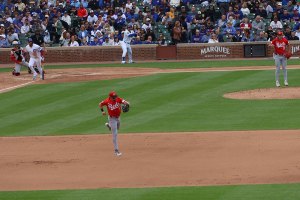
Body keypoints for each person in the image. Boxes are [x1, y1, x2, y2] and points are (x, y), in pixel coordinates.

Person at [99, 91, 130, 156]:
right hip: (112, 118)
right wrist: (102, 111)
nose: (115, 98)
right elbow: (100, 104)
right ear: (110, 97)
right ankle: (116, 151)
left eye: (115, 96)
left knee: (118, 128)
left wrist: (127, 103)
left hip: (118, 118)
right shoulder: (107, 101)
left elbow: (125, 101)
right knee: (115, 134)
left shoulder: (118, 98)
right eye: (113, 97)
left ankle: (109, 126)